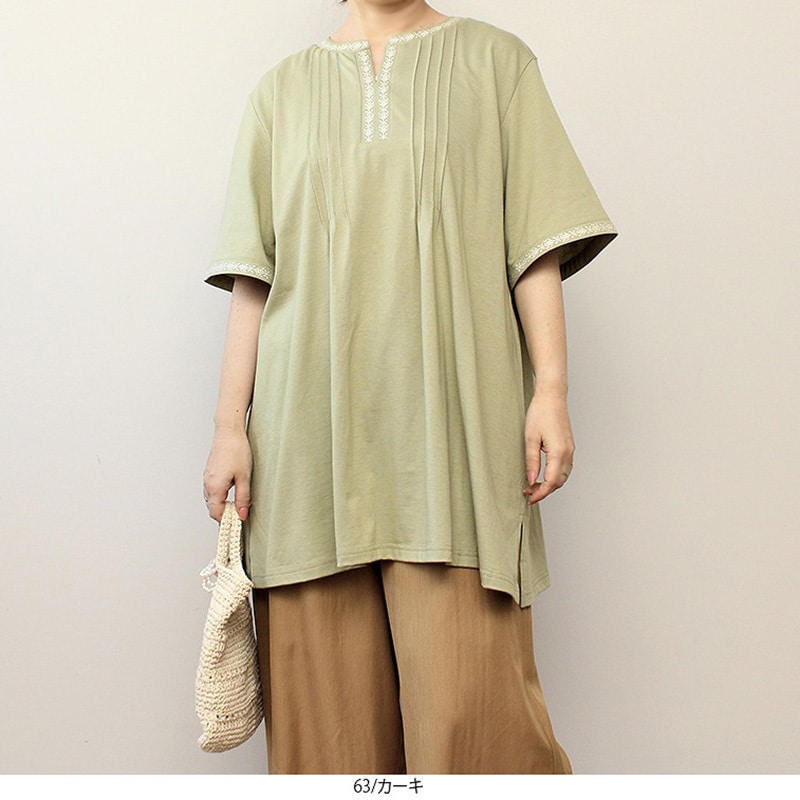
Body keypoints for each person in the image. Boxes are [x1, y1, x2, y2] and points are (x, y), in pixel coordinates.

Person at [202, 0, 616, 775]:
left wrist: (552, 391)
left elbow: (533, 247)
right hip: (305, 448)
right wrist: (230, 429)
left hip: (453, 441)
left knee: (477, 733)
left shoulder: (498, 64)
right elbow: (255, 279)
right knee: (326, 750)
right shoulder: (278, 92)